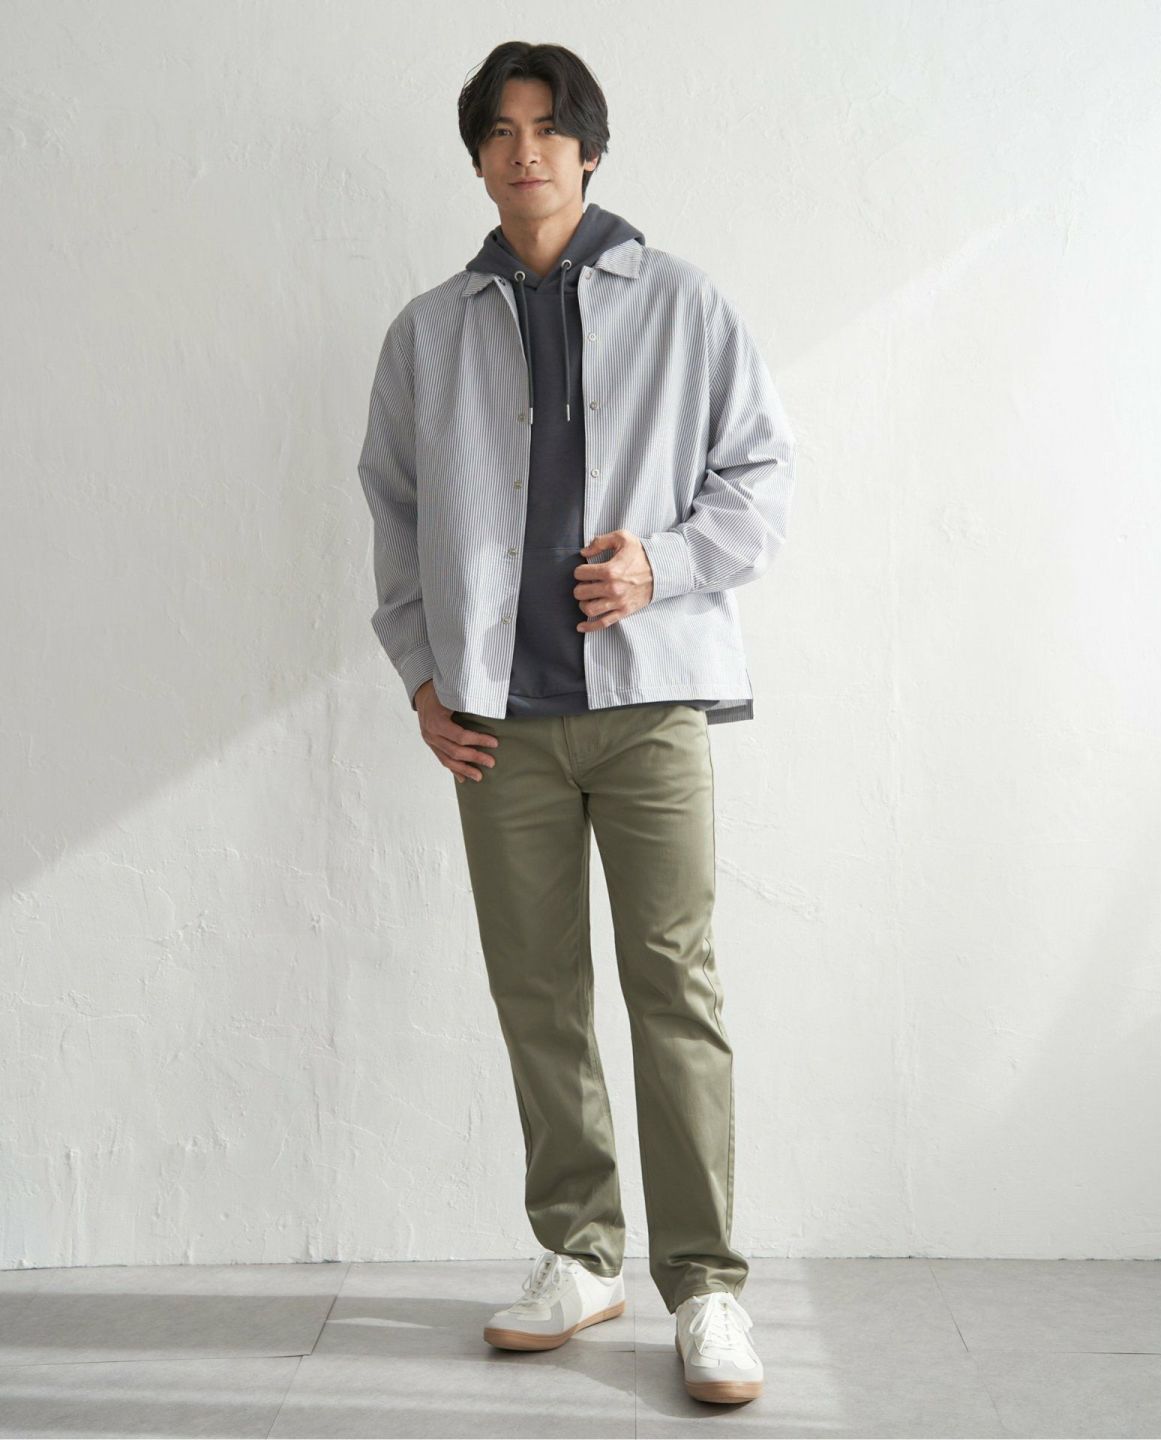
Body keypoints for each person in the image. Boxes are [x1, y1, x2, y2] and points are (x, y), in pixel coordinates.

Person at [356, 39, 795, 1406]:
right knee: (537, 994)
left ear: (588, 149)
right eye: (501, 129)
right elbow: (395, 515)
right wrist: (422, 678)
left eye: (549, 127)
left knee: (675, 987)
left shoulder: (683, 302)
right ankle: (581, 1252)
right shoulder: (429, 332)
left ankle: (707, 1288)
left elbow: (762, 482)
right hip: (499, 725)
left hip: (649, 707)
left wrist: (661, 565)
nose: (526, 149)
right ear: (480, 157)